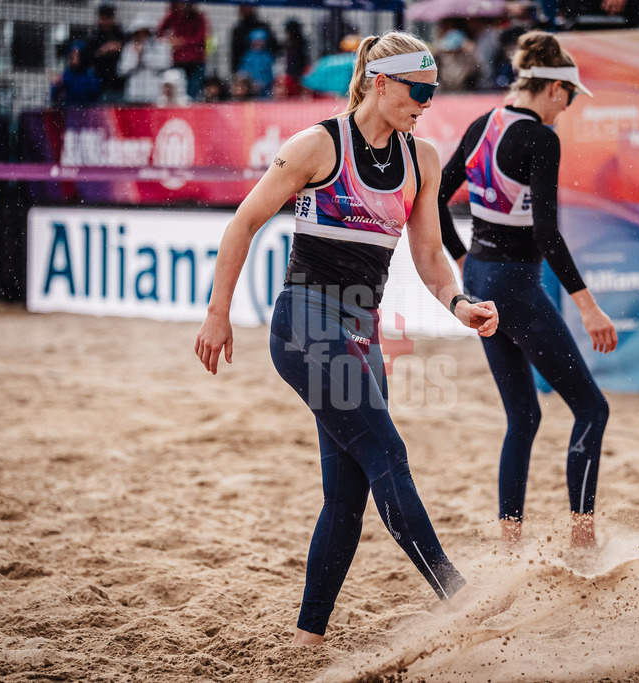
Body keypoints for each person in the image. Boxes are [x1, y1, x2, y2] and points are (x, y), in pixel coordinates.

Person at [194, 30, 501, 645]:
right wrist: (216, 314)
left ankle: (308, 636)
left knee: (348, 495)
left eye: (434, 92)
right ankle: (457, 596)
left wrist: (459, 301)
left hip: (361, 329)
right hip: (306, 322)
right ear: (382, 82)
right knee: (388, 454)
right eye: (419, 89)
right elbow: (244, 223)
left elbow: (430, 255)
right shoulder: (317, 144)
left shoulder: (423, 158)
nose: (428, 101)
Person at [438, 30, 618, 551]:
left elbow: (430, 201)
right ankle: (583, 540)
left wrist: (463, 259)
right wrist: (589, 308)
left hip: (481, 283)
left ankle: (509, 541)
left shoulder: (482, 124)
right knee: (591, 409)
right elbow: (546, 233)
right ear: (555, 90)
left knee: (524, 416)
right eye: (568, 100)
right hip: (515, 285)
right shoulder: (541, 137)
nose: (566, 111)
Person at [157, 0, 209, 100]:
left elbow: (200, 37)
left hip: (195, 61)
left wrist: (182, 41)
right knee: (178, 92)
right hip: (180, 60)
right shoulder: (173, 15)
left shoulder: (198, 17)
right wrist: (170, 40)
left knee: (193, 93)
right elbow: (159, 32)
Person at [118, 14, 172, 104]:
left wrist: (144, 56)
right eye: (139, 32)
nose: (142, 35)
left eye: (145, 32)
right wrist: (136, 58)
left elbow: (165, 64)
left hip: (154, 96)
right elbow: (122, 70)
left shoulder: (161, 45)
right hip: (133, 95)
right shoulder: (129, 47)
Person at [85, 4, 126, 102]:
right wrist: (103, 50)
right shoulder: (94, 37)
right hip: (100, 86)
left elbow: (128, 51)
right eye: (104, 17)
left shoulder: (120, 35)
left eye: (109, 17)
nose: (106, 20)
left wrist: (120, 48)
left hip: (120, 85)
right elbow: (87, 58)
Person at [51, 40, 102, 107]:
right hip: (70, 112)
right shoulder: (66, 74)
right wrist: (58, 85)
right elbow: (54, 97)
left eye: (77, 54)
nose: (73, 57)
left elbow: (93, 94)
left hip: (87, 112)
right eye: (72, 53)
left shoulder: (91, 74)